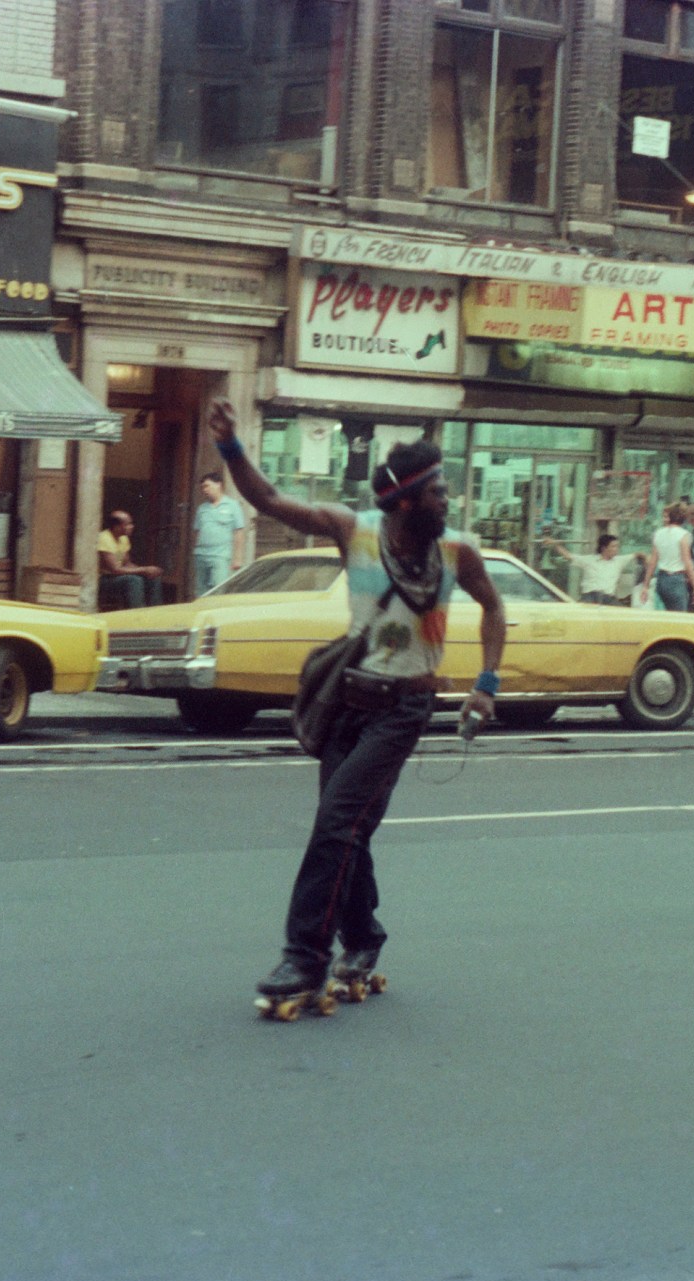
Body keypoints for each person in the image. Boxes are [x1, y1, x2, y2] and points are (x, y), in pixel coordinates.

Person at [206, 400, 505, 1013]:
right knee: (348, 829)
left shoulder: (458, 552)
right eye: (439, 491)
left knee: (337, 823)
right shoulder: (354, 529)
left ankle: (304, 957)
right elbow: (268, 501)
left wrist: (487, 682)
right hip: (349, 702)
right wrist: (231, 445)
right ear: (406, 500)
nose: (449, 500)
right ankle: (364, 939)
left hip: (404, 710)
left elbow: (495, 609)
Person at [191, 471, 248, 596]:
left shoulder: (233, 506)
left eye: (207, 486)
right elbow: (197, 531)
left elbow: (238, 532)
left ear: (218, 484)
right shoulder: (202, 508)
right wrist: (196, 550)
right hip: (201, 555)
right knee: (200, 591)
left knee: (219, 589)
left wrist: (238, 558)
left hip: (220, 555)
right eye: (202, 487)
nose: (204, 490)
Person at [547, 532, 642, 605]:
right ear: (604, 548)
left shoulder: (620, 560)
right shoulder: (589, 560)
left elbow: (638, 554)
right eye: (613, 546)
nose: (616, 549)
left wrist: (647, 558)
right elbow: (568, 556)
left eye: (617, 546)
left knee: (621, 615)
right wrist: (555, 544)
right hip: (590, 596)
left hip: (608, 598)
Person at [97, 510, 165, 608]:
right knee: (134, 580)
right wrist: (143, 570)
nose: (132, 526)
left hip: (116, 576)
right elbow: (115, 569)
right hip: (104, 579)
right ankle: (138, 614)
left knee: (152, 577)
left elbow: (126, 563)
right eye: (128, 524)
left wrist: (147, 571)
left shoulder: (123, 539)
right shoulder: (104, 538)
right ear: (117, 526)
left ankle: (156, 612)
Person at [643, 503, 694, 612]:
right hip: (676, 579)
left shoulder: (658, 533)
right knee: (679, 618)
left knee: (667, 614)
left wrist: (645, 585)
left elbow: (653, 562)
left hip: (661, 579)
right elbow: (687, 562)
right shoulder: (684, 535)